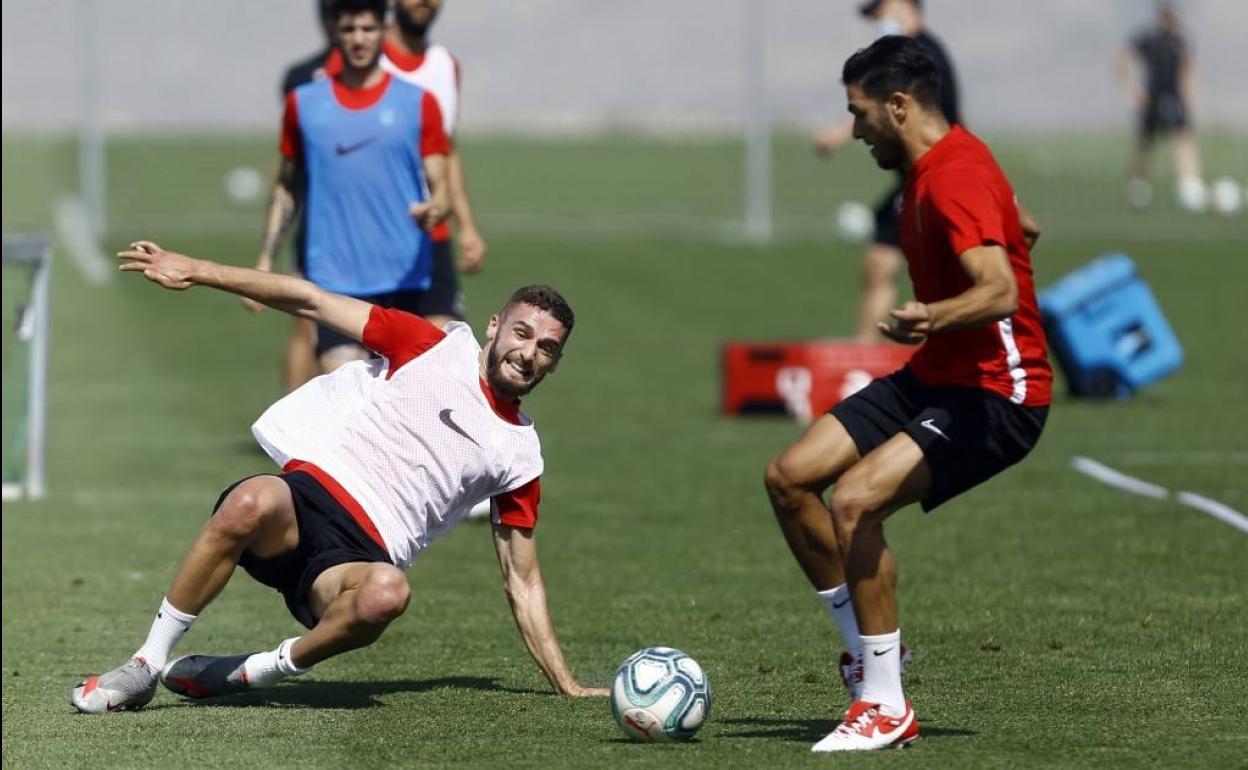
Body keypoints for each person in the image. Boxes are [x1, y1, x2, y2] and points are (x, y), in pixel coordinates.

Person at [71, 240, 607, 713]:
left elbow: (523, 578)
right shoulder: (429, 345)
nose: (528, 353)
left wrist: (566, 683)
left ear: (555, 363)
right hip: (303, 502)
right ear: (495, 325)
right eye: (522, 333)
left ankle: (251, 672)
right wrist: (197, 269)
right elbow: (312, 300)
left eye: (546, 348)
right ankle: (146, 662)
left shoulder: (519, 454)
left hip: (355, 561)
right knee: (248, 502)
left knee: (388, 596)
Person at [765, 36, 1052, 752]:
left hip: (1000, 394)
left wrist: (935, 314)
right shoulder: (947, 165)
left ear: (897, 106)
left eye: (860, 114)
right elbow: (1027, 228)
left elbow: (1001, 288)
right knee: (791, 478)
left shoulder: (953, 177)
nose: (855, 130)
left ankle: (886, 707)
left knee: (855, 502)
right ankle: (866, 655)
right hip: (938, 374)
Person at [252, 0, 452, 376]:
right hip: (336, 278)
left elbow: (440, 185)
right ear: (335, 33)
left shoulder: (418, 103)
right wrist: (266, 259)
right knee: (346, 390)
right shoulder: (304, 104)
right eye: (349, 30)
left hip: (405, 275)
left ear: (383, 30)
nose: (359, 39)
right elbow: (286, 187)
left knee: (411, 399)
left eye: (368, 29)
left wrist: (436, 209)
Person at [321, 0, 488, 330]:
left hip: (428, 237)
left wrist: (466, 225)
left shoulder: (446, 64)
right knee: (352, 362)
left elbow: (447, 149)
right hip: (362, 238)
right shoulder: (359, 54)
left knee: (443, 353)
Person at [814, 0, 961, 341]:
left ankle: (870, 352)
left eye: (880, 13)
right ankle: (863, 353)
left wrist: (841, 133)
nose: (878, 21)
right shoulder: (910, 55)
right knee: (880, 263)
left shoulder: (922, 59)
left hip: (935, 180)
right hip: (915, 181)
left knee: (929, 269)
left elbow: (906, 116)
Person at [258, 0, 337, 395]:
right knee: (307, 321)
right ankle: (292, 431)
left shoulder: (390, 76)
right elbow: (293, 160)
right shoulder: (303, 79)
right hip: (319, 222)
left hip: (370, 225)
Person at [1116, 1, 1205, 211]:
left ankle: (1190, 185)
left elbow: (1188, 67)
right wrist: (1133, 89)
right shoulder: (1149, 39)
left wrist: (1189, 95)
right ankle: (1138, 184)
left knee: (1183, 138)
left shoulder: (1180, 40)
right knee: (1145, 143)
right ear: (1162, 16)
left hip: (1174, 98)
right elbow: (1122, 58)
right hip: (1153, 98)